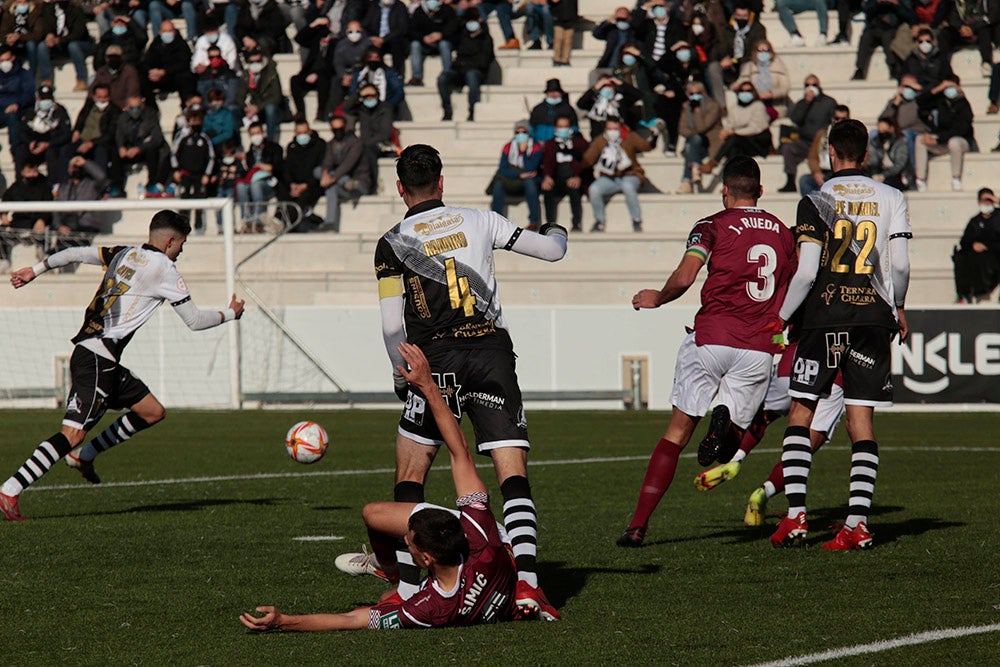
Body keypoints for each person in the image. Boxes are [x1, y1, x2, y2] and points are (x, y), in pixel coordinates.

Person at [365, 143, 566, 619]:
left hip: (434, 362)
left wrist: (402, 373)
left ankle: (411, 589)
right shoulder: (482, 220)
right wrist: (556, 227)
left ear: (400, 188)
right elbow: (553, 251)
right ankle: (529, 587)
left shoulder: (392, 242)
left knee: (412, 473)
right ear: (441, 182)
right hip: (491, 353)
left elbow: (393, 326)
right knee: (510, 472)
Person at [243, 342, 525, 630]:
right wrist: (428, 386)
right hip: (496, 553)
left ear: (425, 559)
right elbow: (459, 451)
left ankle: (390, 571)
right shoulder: (484, 541)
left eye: (409, 541)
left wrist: (284, 621)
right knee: (375, 518)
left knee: (374, 524)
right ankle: (388, 568)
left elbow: (353, 619)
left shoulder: (428, 609)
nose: (405, 539)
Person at [0, 210, 245, 521]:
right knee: (72, 433)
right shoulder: (164, 269)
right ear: (170, 241)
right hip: (98, 359)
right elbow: (195, 321)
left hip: (99, 357)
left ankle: (83, 456)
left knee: (152, 411)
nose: (182, 250)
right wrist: (230, 314)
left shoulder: (122, 253)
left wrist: (34, 270)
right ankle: (10, 488)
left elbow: (73, 252)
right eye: (182, 243)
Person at [616, 156, 796, 548]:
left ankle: (637, 526)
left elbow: (685, 276)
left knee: (677, 432)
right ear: (761, 191)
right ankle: (725, 422)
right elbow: (798, 285)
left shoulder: (712, 224)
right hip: (757, 348)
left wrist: (658, 298)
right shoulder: (783, 233)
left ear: (725, 191)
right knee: (730, 446)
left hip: (711, 337)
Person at [766, 118, 911, 550]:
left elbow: (808, 270)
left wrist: (782, 314)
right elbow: (899, 265)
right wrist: (898, 305)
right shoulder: (892, 196)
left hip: (825, 316)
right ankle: (857, 524)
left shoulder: (815, 198)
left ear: (830, 153)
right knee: (860, 421)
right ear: (866, 155)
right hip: (872, 317)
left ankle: (795, 518)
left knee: (802, 411)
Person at [582, 117, 653, 232]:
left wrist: (653, 140)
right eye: (609, 128)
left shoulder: (629, 137)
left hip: (630, 175)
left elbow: (645, 146)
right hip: (609, 178)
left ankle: (636, 220)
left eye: (615, 129)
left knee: (628, 187)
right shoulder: (600, 141)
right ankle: (599, 220)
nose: (612, 131)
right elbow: (588, 159)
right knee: (594, 189)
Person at [778, 74, 837, 193]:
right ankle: (790, 181)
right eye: (807, 85)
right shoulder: (801, 103)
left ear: (819, 86)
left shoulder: (829, 102)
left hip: (821, 142)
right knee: (788, 147)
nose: (810, 87)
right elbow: (795, 119)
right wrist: (806, 103)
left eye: (813, 85)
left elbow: (833, 121)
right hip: (804, 142)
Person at [913, 77, 974, 192]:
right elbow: (920, 102)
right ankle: (920, 180)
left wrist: (938, 139)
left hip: (961, 141)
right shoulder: (941, 101)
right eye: (946, 87)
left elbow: (960, 130)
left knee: (954, 142)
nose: (948, 90)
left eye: (951, 87)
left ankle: (956, 178)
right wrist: (938, 88)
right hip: (942, 140)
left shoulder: (964, 105)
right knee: (920, 139)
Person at [699, 81, 771, 174]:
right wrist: (725, 131)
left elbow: (756, 128)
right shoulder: (735, 108)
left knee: (734, 139)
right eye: (742, 91)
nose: (745, 93)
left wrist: (734, 132)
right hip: (740, 142)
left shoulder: (758, 106)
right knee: (733, 150)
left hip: (757, 141)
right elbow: (730, 123)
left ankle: (714, 162)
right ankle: (732, 180)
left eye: (748, 91)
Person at [319, 115, 370, 232]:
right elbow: (327, 162)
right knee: (326, 181)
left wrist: (332, 177)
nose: (338, 132)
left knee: (335, 181)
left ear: (345, 128)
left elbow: (348, 164)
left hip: (358, 183)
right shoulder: (331, 144)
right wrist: (325, 174)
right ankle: (330, 223)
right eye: (335, 129)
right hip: (341, 183)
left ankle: (346, 181)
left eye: (340, 128)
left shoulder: (356, 143)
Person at [490, 119, 543, 230]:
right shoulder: (508, 147)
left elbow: (530, 168)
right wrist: (519, 175)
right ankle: (496, 221)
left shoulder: (536, 147)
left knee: (530, 182)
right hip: (514, 179)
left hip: (529, 181)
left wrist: (523, 152)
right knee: (499, 184)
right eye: (517, 133)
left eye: (523, 132)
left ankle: (534, 221)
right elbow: (502, 169)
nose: (520, 135)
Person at [438, 16, 493, 122]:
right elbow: (450, 34)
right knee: (443, 78)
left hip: (477, 72)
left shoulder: (486, 39)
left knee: (471, 76)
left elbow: (484, 61)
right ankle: (447, 111)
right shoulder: (463, 36)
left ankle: (472, 110)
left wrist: (466, 64)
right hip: (460, 70)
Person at [111, 94, 168, 197]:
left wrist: (139, 148)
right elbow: (119, 135)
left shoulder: (150, 116)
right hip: (129, 150)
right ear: (127, 107)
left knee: (153, 151)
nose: (135, 110)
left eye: (138, 107)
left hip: (144, 149)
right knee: (115, 153)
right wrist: (121, 147)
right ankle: (117, 187)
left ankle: (152, 184)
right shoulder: (122, 118)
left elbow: (157, 138)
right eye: (132, 108)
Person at [49, 155, 108, 254]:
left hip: (85, 226)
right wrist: (59, 226)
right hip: (67, 226)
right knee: (58, 249)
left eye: (78, 166)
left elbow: (102, 177)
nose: (76, 168)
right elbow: (56, 209)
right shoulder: (63, 187)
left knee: (69, 248)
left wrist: (85, 162)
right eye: (73, 166)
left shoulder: (92, 185)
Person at [15, 83, 72, 184]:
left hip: (51, 145)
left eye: (48, 98)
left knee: (52, 153)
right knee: (20, 152)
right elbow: (22, 131)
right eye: (43, 98)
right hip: (34, 145)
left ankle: (53, 184)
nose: (45, 101)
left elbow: (66, 133)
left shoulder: (60, 111)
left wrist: (49, 144)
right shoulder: (31, 111)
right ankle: (21, 183)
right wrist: (30, 142)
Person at [0, 159, 51, 270]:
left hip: (36, 223)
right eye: (29, 171)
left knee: (45, 231)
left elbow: (49, 206)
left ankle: (43, 258)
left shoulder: (44, 186)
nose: (32, 175)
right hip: (18, 222)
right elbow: (6, 199)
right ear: (23, 173)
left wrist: (42, 220)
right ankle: (3, 260)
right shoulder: (16, 186)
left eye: (34, 171)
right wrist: (3, 215)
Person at [540, 113, 588, 231]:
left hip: (573, 177)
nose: (563, 129)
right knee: (548, 190)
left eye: (565, 126)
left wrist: (578, 177)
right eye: (560, 127)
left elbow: (586, 163)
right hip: (557, 178)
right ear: (556, 128)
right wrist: (547, 176)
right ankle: (550, 225)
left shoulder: (579, 143)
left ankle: (576, 223)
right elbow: (546, 162)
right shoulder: (550, 144)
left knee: (574, 190)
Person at [171, 107, 215, 233]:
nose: (195, 124)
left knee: (199, 200)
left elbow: (211, 157)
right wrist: (176, 170)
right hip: (185, 174)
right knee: (184, 200)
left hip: (200, 176)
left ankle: (199, 227)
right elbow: (174, 154)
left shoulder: (205, 138)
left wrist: (207, 174)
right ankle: (182, 228)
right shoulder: (183, 137)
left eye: (198, 121)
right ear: (188, 121)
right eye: (193, 121)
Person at [952, 188, 1000, 302]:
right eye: (984, 200)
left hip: (995, 254)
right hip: (977, 256)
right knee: (961, 257)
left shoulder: (998, 216)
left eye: (990, 200)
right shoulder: (975, 221)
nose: (987, 203)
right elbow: (965, 241)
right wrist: (974, 245)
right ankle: (964, 294)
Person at [850, 0, 914, 81]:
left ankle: (893, 67)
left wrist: (897, 5)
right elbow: (867, 10)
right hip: (874, 28)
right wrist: (877, 2)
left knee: (888, 38)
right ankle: (859, 69)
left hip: (890, 29)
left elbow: (909, 15)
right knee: (866, 37)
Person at [676, 80, 721, 194]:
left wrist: (696, 111)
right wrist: (693, 134)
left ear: (704, 93)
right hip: (695, 142)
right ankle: (693, 173)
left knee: (692, 145)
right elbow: (682, 128)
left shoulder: (713, 105)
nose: (695, 96)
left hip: (710, 141)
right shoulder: (686, 106)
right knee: (693, 142)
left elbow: (703, 127)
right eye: (691, 94)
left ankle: (687, 180)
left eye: (698, 93)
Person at [37, 0, 94, 91]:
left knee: (73, 46)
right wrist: (49, 35)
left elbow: (79, 33)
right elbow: (46, 27)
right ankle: (46, 80)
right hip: (59, 44)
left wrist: (60, 40)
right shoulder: (48, 9)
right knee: (42, 46)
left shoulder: (76, 9)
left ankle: (81, 80)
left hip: (79, 43)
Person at [140, 20, 197, 108]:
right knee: (143, 78)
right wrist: (151, 72)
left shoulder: (181, 44)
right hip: (159, 78)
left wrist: (165, 71)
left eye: (170, 31)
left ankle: (185, 107)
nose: (167, 34)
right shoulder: (156, 43)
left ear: (174, 31)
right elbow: (147, 61)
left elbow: (183, 63)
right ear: (160, 32)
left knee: (185, 77)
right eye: (164, 31)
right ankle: (151, 108)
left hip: (174, 78)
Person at [799, 104, 851, 196]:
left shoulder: (853, 135)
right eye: (837, 118)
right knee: (804, 181)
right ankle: (813, 208)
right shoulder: (822, 134)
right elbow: (812, 157)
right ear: (832, 118)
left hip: (844, 174)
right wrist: (816, 172)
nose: (840, 121)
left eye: (843, 119)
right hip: (824, 172)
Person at [70, 83, 120, 173]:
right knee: (65, 149)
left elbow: (110, 134)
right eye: (99, 97)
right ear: (94, 96)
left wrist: (91, 143)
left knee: (101, 151)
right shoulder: (89, 105)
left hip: (100, 142)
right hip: (82, 139)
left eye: (105, 97)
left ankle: (100, 182)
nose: (102, 100)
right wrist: (76, 131)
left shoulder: (114, 111)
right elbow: (81, 119)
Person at [406, 0, 457, 87]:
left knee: (444, 44)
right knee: (415, 45)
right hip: (425, 43)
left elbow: (453, 26)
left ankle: (447, 74)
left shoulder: (447, 10)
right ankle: (416, 77)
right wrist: (423, 38)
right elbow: (412, 30)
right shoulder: (419, 11)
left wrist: (441, 35)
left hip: (441, 41)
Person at [734, 39, 790, 118]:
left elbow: (785, 87)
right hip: (753, 103)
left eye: (766, 50)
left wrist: (771, 94)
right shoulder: (749, 66)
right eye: (760, 50)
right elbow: (742, 82)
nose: (763, 53)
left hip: (774, 105)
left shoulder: (778, 66)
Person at [237, 48, 282, 143]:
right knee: (233, 110)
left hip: (270, 107)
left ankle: (270, 141)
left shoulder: (271, 73)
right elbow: (239, 97)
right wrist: (246, 108)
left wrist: (258, 107)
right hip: (254, 108)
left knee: (270, 108)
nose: (255, 64)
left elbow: (276, 96)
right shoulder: (246, 75)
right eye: (252, 62)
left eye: (258, 61)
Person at [361, 0, 409, 76]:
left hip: (392, 39)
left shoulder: (400, 6)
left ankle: (397, 75)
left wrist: (384, 39)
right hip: (375, 39)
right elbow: (365, 25)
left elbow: (402, 28)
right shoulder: (373, 5)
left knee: (397, 44)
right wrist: (372, 38)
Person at [90, 43, 141, 111]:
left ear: (122, 57)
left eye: (116, 57)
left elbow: (132, 92)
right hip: (104, 106)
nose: (113, 59)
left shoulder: (129, 71)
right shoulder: (101, 72)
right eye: (110, 57)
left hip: (122, 108)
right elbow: (92, 91)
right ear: (106, 58)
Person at [867, 115, 910, 190]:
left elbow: (900, 164)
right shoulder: (875, 142)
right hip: (879, 172)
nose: (882, 133)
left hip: (896, 175)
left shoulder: (900, 142)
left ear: (891, 128)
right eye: (880, 131)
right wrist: (875, 175)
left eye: (884, 130)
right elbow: (873, 161)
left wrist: (883, 175)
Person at [529, 78, 577, 144]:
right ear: (546, 93)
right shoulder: (537, 109)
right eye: (551, 92)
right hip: (541, 146)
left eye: (556, 92)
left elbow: (574, 129)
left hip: (562, 145)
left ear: (561, 93)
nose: (553, 94)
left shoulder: (568, 109)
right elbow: (531, 130)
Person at [550, 0, 577, 67]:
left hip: (570, 17)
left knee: (568, 40)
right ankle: (557, 59)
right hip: (558, 17)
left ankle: (565, 60)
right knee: (558, 39)